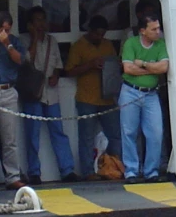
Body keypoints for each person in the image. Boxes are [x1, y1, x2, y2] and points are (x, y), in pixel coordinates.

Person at [20, 6, 78, 184]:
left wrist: (56, 75)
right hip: (33, 93)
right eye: (37, 20)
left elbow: (58, 64)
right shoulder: (23, 41)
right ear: (30, 24)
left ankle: (67, 170)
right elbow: (27, 60)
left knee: (58, 131)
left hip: (51, 92)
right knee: (33, 134)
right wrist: (35, 39)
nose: (41, 24)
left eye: (43, 20)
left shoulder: (52, 41)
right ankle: (34, 172)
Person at [65, 15, 122, 181]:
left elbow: (113, 64)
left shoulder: (108, 45)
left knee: (115, 135)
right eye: (97, 34)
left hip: (107, 97)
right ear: (90, 31)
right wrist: (90, 65)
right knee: (86, 138)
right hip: (86, 98)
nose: (100, 37)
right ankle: (88, 171)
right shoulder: (79, 46)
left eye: (102, 34)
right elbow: (69, 71)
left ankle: (114, 167)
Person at [119, 13, 169, 183]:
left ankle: (151, 171)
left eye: (158, 28)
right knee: (129, 132)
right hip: (130, 91)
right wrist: (152, 69)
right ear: (142, 31)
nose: (158, 32)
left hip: (151, 93)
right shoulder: (131, 43)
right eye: (154, 29)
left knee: (155, 132)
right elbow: (128, 68)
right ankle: (131, 171)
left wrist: (143, 64)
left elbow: (164, 67)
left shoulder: (160, 44)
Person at [0, 11, 27, 190]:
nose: (4, 32)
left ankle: (12, 177)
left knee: (9, 139)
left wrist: (7, 43)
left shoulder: (13, 41)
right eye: (1, 29)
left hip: (8, 91)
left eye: (7, 29)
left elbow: (20, 61)